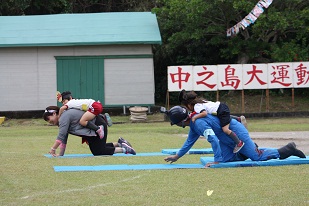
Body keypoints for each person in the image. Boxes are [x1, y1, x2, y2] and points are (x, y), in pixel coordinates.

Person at [163, 105, 306, 167]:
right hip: (227, 140)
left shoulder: (198, 123)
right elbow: (189, 142)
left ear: (182, 122)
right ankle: (245, 152)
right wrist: (177, 156)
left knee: (257, 157)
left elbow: (213, 140)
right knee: (227, 159)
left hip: (236, 132)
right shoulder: (194, 123)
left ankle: (287, 149)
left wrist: (216, 160)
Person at [43, 106, 136, 157]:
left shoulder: (64, 117)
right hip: (93, 128)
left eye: (49, 119)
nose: (50, 122)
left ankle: (124, 149)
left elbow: (61, 135)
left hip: (97, 125)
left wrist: (53, 149)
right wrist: (61, 155)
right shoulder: (63, 120)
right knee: (97, 150)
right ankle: (120, 143)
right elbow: (64, 138)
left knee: (99, 151)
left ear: (54, 113)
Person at [179, 89, 245, 153]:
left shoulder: (197, 106)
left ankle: (239, 143)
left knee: (225, 129)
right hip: (220, 107)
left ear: (189, 104)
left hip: (221, 110)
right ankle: (238, 119)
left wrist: (194, 118)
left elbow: (204, 113)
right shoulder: (200, 101)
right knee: (219, 117)